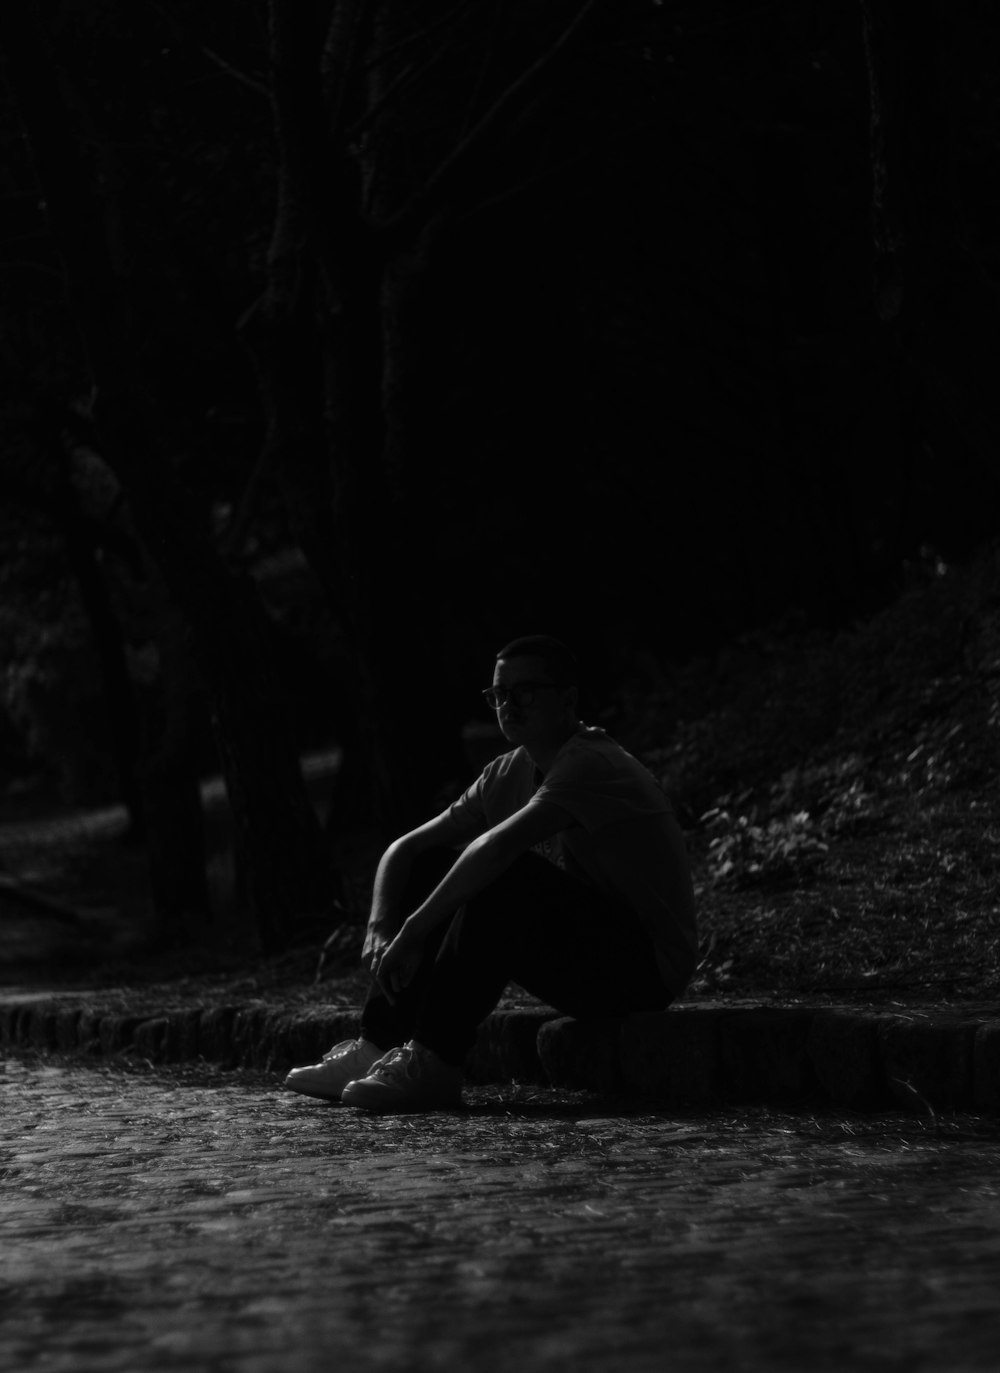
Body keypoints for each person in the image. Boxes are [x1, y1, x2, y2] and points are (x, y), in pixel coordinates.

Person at [284, 634, 697, 1112]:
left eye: (524, 692)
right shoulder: (507, 772)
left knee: (501, 874)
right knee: (433, 864)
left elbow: (497, 848)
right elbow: (405, 849)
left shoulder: (592, 762)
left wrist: (415, 930)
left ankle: (436, 1062)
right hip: (583, 953)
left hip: (642, 972)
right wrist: (379, 926)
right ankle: (376, 1046)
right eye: (499, 694)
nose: (508, 704)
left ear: (568, 699)